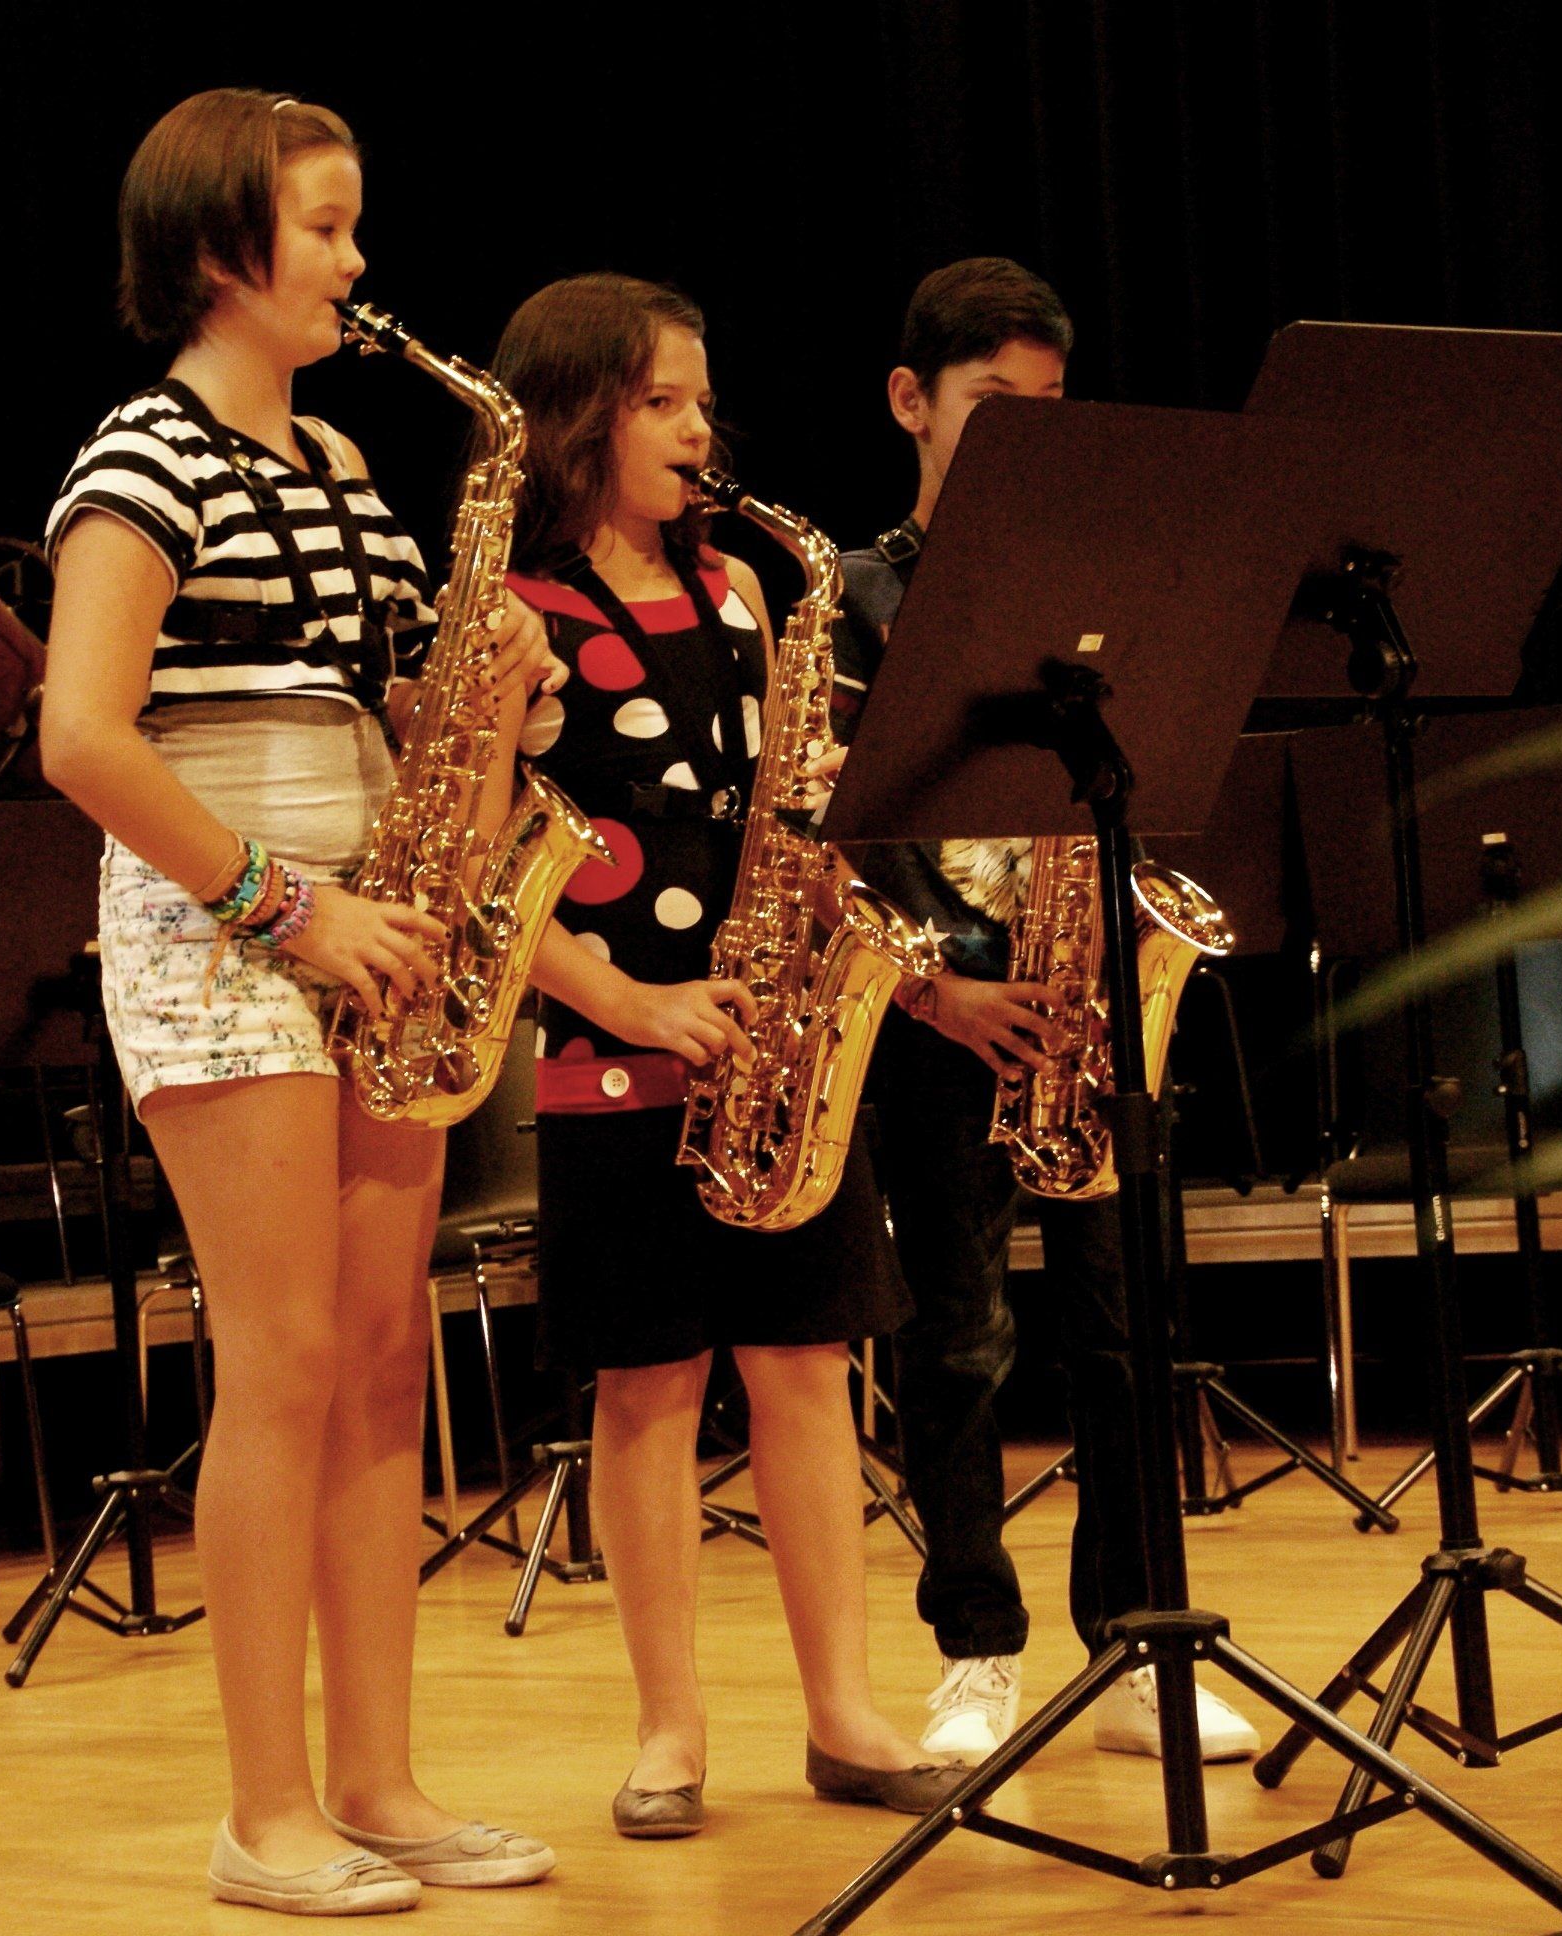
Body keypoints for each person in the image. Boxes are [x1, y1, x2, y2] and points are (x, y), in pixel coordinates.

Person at [38, 88, 561, 1915]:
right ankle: (263, 1816)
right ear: (217, 249)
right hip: (228, 930)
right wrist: (283, 903)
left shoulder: (340, 462)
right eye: (324, 227)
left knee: (379, 1357)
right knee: (279, 1362)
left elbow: (404, 718)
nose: (356, 260)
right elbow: (82, 735)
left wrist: (502, 684)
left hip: (373, 932)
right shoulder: (139, 459)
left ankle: (378, 1784)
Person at [491, 271, 966, 1838]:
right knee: (646, 1384)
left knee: (809, 1370)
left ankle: (844, 1713)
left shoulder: (750, 594)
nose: (702, 430)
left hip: (769, 1053)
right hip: (616, 1052)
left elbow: (788, 823)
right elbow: (484, 879)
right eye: (661, 403)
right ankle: (668, 1732)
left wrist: (835, 908)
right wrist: (633, 1005)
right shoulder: (513, 615)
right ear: (576, 420)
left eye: (703, 400)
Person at [830, 257, 1262, 1767]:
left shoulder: (1094, 579)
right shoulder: (854, 595)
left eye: (1049, 406)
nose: (1029, 434)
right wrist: (935, 986)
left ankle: (1136, 1645)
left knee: (1127, 1336)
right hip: (945, 1012)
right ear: (910, 401)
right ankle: (976, 1647)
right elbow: (834, 821)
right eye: (991, 404)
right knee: (958, 1343)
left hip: (1084, 1006)